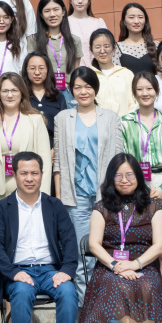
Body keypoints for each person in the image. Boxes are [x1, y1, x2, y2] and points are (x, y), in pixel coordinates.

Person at [76, 153, 162, 323]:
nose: (124, 179)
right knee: (122, 287)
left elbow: (159, 246)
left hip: (144, 263)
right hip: (110, 267)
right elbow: (94, 244)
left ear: (138, 176)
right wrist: (117, 265)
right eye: (118, 175)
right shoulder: (101, 207)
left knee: (148, 286)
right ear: (111, 178)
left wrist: (135, 264)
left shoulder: (153, 206)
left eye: (129, 174)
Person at [0, 152, 78, 323]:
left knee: (68, 292)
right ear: (15, 175)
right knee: (21, 292)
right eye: (24, 173)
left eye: (34, 173)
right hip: (18, 270)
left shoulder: (54, 205)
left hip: (49, 270)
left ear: (42, 175)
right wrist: (13, 273)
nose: (29, 178)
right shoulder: (2, 207)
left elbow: (69, 240)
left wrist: (66, 271)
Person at [51, 66, 121, 294]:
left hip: (105, 195)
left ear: (95, 89)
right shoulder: (63, 118)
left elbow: (119, 159)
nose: (83, 91)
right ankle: (86, 309)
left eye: (88, 86)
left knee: (107, 250)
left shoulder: (110, 117)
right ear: (71, 91)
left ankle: (107, 305)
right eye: (77, 87)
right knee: (82, 254)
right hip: (76, 196)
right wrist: (60, 198)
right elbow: (59, 161)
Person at [0, 71, 52, 218]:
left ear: (22, 93)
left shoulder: (35, 120)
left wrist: (44, 195)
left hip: (29, 191)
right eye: (5, 91)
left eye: (14, 90)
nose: (9, 95)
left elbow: (45, 161)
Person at [118, 70, 162, 234]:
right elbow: (123, 161)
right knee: (140, 237)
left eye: (149, 88)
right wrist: (138, 188)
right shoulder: (125, 123)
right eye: (139, 89)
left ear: (156, 91)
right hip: (136, 184)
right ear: (134, 93)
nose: (145, 93)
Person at [34, 0, 79, 91]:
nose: (52, 14)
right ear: (41, 14)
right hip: (44, 92)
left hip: (69, 92)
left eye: (56, 9)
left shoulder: (74, 40)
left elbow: (76, 70)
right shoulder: (34, 40)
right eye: (47, 11)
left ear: (63, 12)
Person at [87, 28, 136, 116]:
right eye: (98, 47)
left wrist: (126, 123)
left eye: (106, 46)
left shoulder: (126, 74)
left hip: (124, 126)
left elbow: (133, 103)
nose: (102, 51)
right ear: (91, 49)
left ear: (114, 48)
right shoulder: (88, 75)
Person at [0, 1, 27, 80]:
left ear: (12, 19)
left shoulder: (20, 44)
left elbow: (22, 72)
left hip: (13, 90)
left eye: (6, 17)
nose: (1, 21)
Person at [66, 0, 106, 68]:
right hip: (71, 73)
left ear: (89, 1)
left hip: (95, 72)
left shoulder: (98, 23)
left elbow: (106, 47)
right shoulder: (64, 23)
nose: (80, 1)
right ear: (70, 0)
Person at [21, 51, 67, 126]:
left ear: (48, 70)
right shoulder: (21, 96)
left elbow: (64, 125)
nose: (37, 72)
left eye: (41, 68)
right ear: (26, 70)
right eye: (32, 68)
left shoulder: (58, 96)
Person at [114, 2, 157, 75]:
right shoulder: (117, 48)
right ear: (124, 21)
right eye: (131, 17)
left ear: (145, 21)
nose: (136, 21)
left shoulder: (156, 46)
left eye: (140, 17)